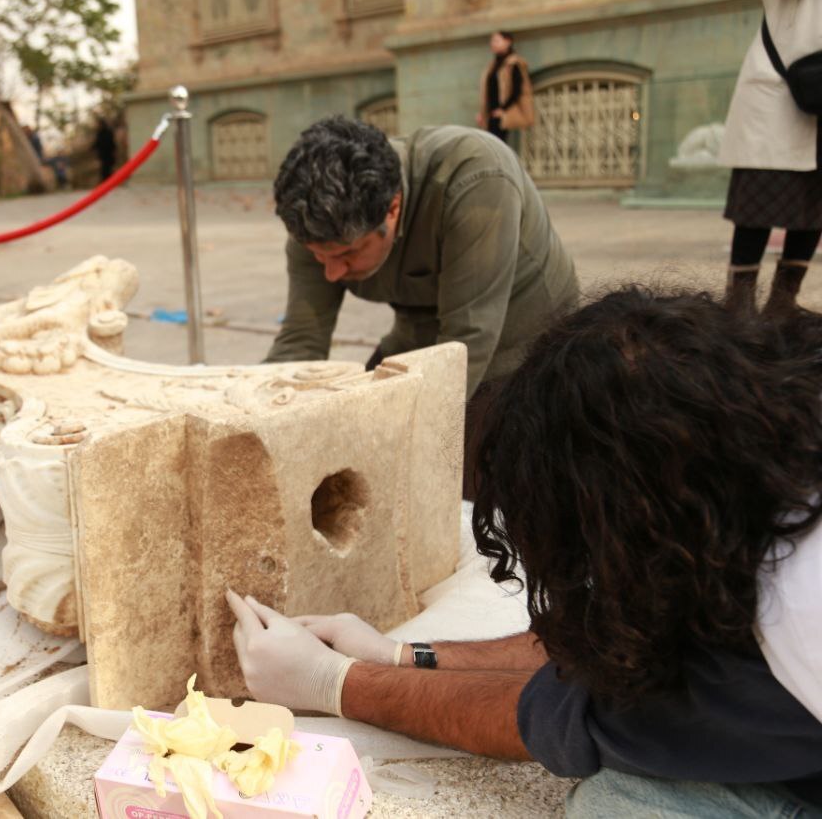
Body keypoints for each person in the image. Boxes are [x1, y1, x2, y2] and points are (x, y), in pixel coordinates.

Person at [230, 288, 822, 816]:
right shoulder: (756, 474)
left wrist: (335, 681)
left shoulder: (794, 622)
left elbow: (561, 715)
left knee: (620, 804)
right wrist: (402, 654)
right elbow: (616, 648)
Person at [265, 117, 579, 400]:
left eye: (347, 255)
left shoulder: (476, 179)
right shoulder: (313, 223)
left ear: (392, 208)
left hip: (524, 340)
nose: (331, 273)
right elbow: (300, 345)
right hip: (420, 333)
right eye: (319, 257)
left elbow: (466, 344)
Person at [720, 0, 822, 316]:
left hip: (817, 105)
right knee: (757, 207)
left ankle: (782, 305)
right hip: (775, 98)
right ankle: (739, 308)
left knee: (813, 210)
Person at [475, 31, 534, 145]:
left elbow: (518, 89)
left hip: (505, 114)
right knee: (490, 144)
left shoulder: (514, 63)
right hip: (492, 114)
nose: (493, 44)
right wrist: (483, 113)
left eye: (497, 41)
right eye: (492, 41)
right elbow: (488, 91)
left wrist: (504, 109)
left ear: (508, 42)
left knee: (499, 145)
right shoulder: (492, 66)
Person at [94, 116, 117, 182]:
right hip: (104, 155)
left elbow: (111, 143)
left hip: (108, 154)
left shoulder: (107, 132)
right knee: (105, 169)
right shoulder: (100, 133)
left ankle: (109, 182)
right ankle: (107, 182)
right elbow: (97, 143)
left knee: (107, 169)